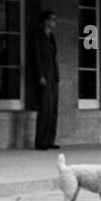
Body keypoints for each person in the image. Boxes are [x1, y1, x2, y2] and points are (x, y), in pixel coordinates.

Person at [31, 10, 59, 149]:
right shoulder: (38, 36)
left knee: (53, 109)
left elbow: (53, 58)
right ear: (46, 21)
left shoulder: (51, 37)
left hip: (53, 76)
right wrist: (40, 75)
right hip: (44, 76)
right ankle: (40, 141)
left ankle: (49, 140)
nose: (54, 21)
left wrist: (56, 76)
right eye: (52, 19)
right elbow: (35, 57)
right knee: (44, 109)